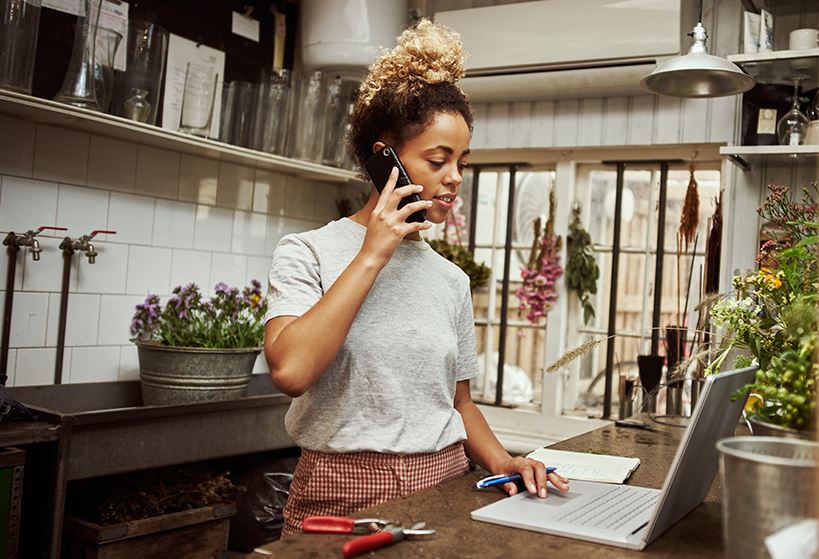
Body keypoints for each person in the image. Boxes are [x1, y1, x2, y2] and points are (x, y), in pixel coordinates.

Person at [264, 18, 569, 538]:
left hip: (444, 483)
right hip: (339, 489)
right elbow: (291, 371)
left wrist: (504, 460)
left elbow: (458, 403)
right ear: (386, 158)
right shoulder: (307, 252)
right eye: (438, 159)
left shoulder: (450, 280)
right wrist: (371, 255)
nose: (454, 177)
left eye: (462, 161)